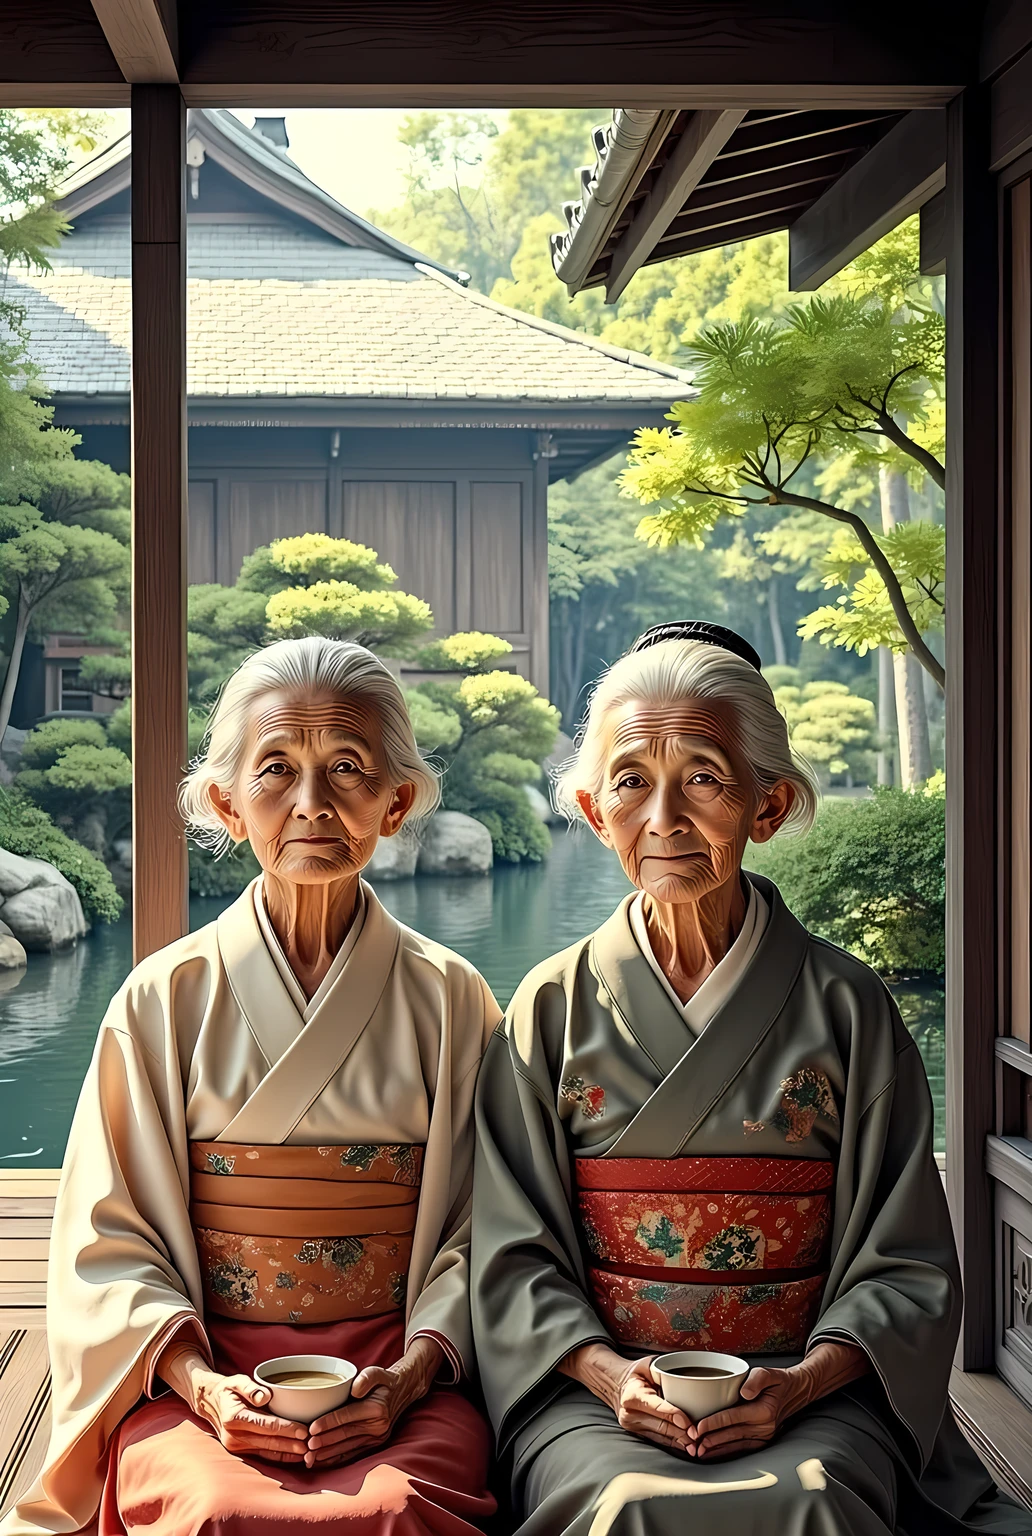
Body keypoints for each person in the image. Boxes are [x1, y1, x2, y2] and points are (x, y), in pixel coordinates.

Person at [471, 621, 1032, 1536]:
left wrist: (801, 1382)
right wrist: (613, 1378)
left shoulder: (847, 1007)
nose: (663, 820)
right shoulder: (548, 1007)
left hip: (811, 1384)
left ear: (767, 807)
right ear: (589, 807)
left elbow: (906, 1261)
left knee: (811, 1496)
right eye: (630, 782)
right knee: (623, 1505)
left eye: (702, 777)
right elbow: (509, 1251)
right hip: (600, 1390)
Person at [5, 637, 500, 1536]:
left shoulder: (450, 998)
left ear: (394, 803)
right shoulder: (162, 997)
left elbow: (486, 1226)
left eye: (347, 767)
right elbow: (104, 1240)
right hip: (204, 1372)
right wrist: (202, 1386)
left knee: (394, 1506)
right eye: (276, 769)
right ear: (229, 804)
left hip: (396, 1375)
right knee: (215, 1508)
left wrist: (415, 1374)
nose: (312, 805)